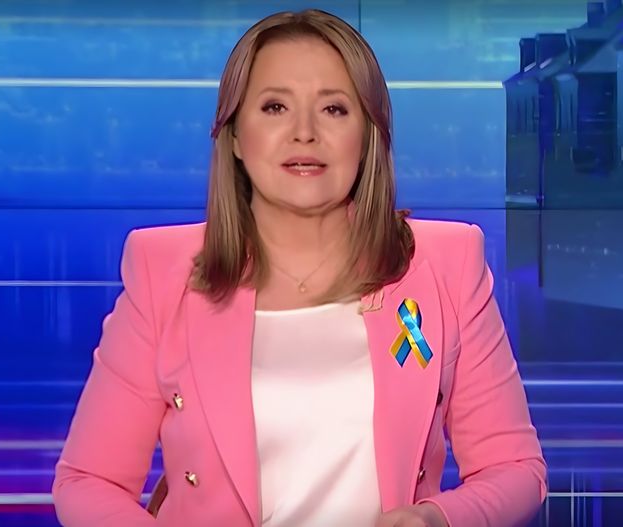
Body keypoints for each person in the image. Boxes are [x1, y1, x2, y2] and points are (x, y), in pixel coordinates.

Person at [52, 8, 546, 527]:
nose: (304, 133)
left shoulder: (445, 264)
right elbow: (88, 482)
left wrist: (434, 519)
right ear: (234, 135)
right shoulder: (163, 271)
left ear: (368, 134)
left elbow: (515, 469)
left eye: (333, 109)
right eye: (275, 107)